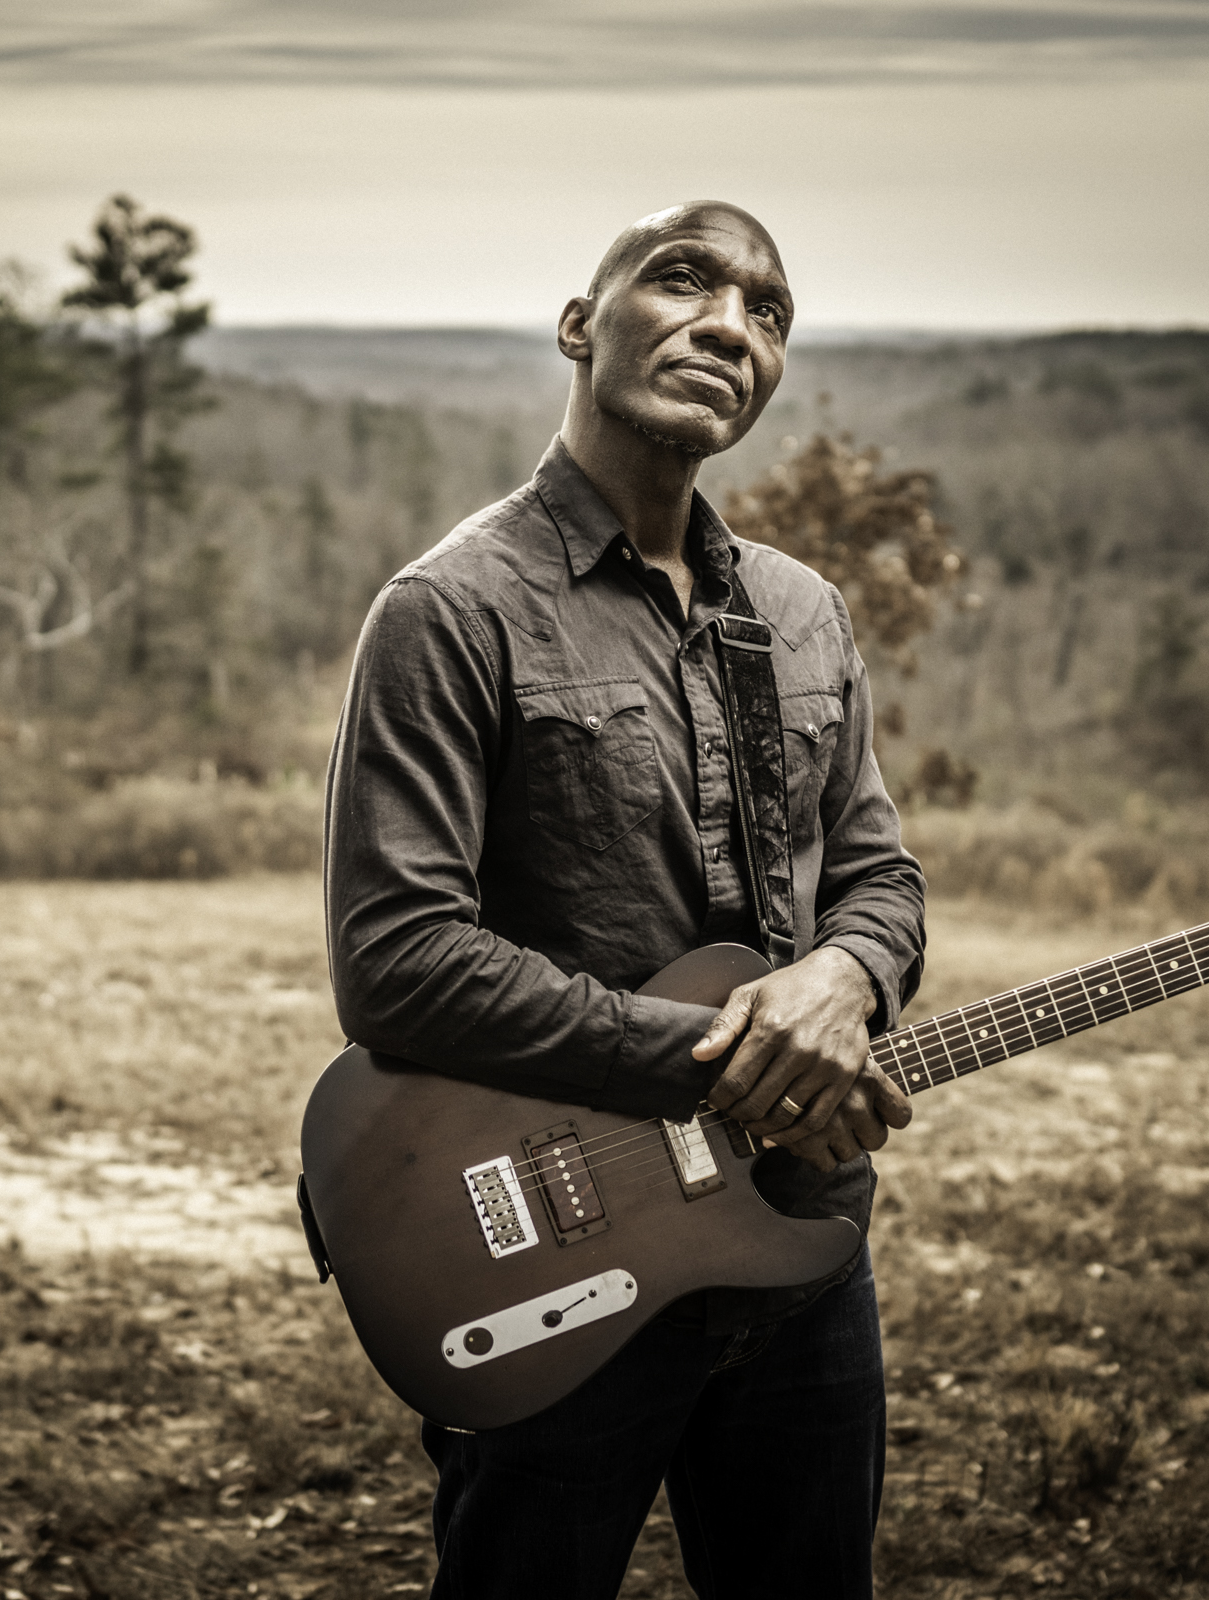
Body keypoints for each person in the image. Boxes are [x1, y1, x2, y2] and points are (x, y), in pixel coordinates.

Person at [323, 201, 928, 1600]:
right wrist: (731, 1059)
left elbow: (874, 872)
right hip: (552, 1246)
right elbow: (400, 962)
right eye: (683, 280)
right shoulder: (453, 609)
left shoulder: (803, 613)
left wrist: (842, 982)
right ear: (579, 326)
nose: (732, 324)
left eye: (770, 313)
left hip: (803, 1241)